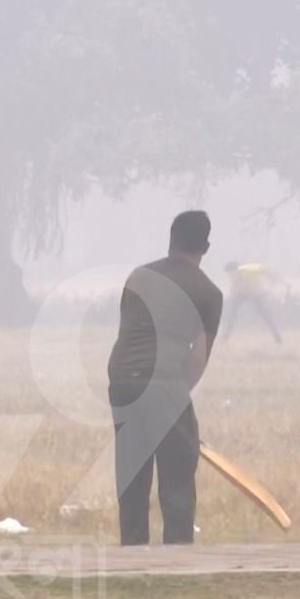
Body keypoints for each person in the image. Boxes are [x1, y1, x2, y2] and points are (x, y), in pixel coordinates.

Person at [107, 211, 223, 546]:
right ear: (206, 246)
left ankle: (131, 553)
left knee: (132, 473)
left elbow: (129, 334)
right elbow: (198, 358)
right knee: (177, 477)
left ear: (171, 237)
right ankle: (176, 560)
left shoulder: (139, 277)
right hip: (164, 382)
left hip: (122, 380)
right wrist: (174, 400)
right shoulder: (208, 293)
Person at [222, 261, 284, 343]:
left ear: (235, 269)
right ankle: (225, 338)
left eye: (231, 273)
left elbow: (264, 270)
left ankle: (277, 337)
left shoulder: (248, 268)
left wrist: (272, 280)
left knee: (266, 316)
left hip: (255, 293)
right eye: (229, 274)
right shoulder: (233, 276)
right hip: (241, 294)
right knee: (231, 316)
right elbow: (234, 287)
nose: (230, 275)